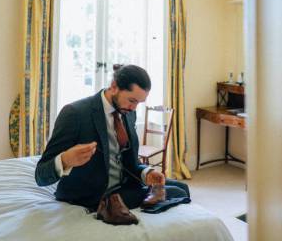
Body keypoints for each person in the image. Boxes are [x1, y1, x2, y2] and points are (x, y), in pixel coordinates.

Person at [35, 64, 189, 224]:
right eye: (132, 100)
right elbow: (40, 175)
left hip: (124, 185)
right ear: (114, 86)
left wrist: (146, 173)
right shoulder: (75, 113)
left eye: (139, 103)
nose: (134, 107)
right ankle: (116, 207)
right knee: (178, 192)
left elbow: (129, 162)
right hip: (95, 194)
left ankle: (146, 200)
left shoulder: (128, 112)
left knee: (182, 188)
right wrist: (65, 160)